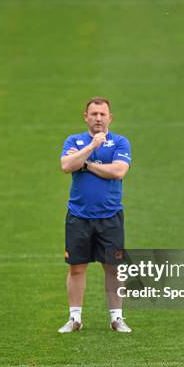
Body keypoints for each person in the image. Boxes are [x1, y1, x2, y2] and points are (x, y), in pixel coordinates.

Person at [58, 97, 132, 334]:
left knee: (113, 267)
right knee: (76, 267)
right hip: (78, 216)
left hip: (110, 217)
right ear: (86, 117)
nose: (98, 118)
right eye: (94, 114)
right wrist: (90, 148)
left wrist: (86, 163)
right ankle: (75, 318)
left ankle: (117, 318)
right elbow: (67, 165)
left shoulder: (120, 142)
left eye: (102, 114)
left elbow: (118, 171)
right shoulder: (74, 140)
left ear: (110, 117)